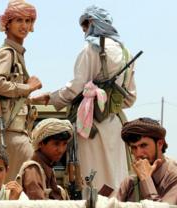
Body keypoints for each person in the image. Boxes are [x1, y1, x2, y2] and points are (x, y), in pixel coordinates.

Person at [31, 6, 137, 191]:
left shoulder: (91, 49)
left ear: (93, 24)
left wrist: (52, 97)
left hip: (91, 125)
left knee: (92, 181)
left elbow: (75, 88)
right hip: (115, 124)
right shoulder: (126, 54)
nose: (84, 32)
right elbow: (130, 98)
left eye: (85, 27)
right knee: (116, 179)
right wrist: (109, 101)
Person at [0, 0, 42, 182]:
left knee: (16, 185)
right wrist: (28, 87)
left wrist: (33, 97)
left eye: (28, 21)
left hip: (16, 130)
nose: (24, 26)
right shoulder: (7, 53)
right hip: (10, 132)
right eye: (18, 20)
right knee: (33, 176)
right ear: (7, 24)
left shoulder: (16, 53)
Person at [116, 117, 177, 205]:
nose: (138, 153)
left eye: (143, 145)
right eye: (134, 147)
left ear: (159, 144)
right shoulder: (130, 183)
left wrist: (146, 180)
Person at [17, 118, 73, 200]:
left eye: (64, 144)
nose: (61, 150)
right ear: (41, 143)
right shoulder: (33, 171)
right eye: (56, 144)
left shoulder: (47, 167)